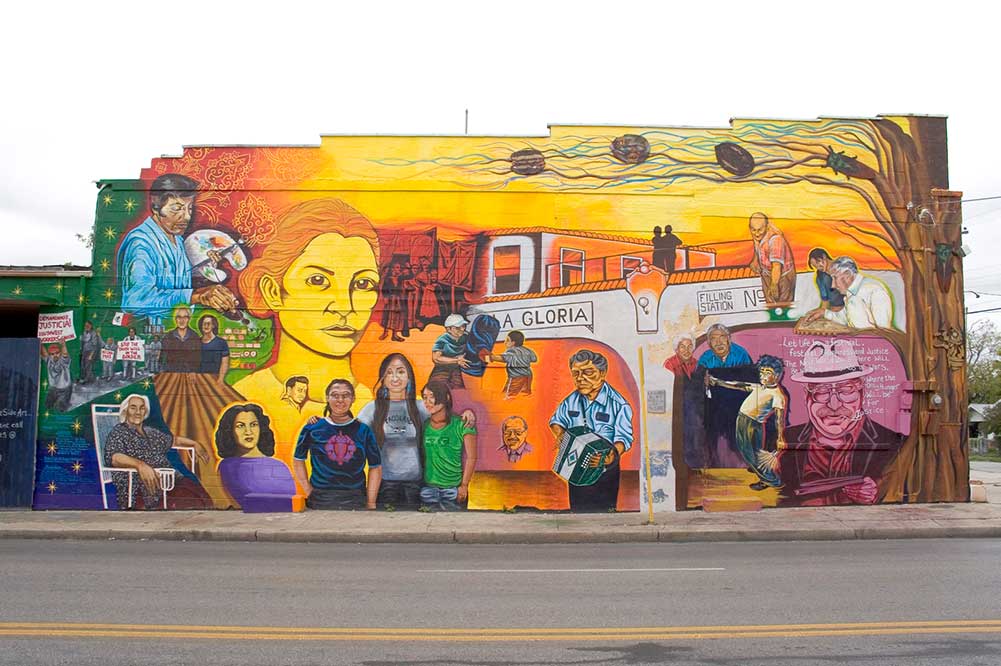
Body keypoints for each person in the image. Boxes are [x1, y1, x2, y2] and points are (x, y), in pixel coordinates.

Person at [235, 199, 381, 427]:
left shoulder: (377, 409)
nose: (345, 306)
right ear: (272, 291)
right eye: (318, 280)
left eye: (363, 284)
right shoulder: (242, 399)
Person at [779, 340, 905, 506]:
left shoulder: (892, 442)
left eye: (845, 391)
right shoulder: (787, 439)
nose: (834, 405)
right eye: (821, 392)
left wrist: (880, 490)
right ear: (806, 396)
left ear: (862, 392)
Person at [358, 353, 478, 510]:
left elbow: (445, 414)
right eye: (389, 372)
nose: (395, 377)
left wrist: (468, 413)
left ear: (409, 376)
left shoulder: (421, 406)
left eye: (400, 371)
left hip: (416, 484)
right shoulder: (372, 408)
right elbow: (350, 432)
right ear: (383, 378)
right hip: (385, 483)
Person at [117, 173, 237, 324]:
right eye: (177, 208)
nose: (186, 216)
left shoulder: (178, 240)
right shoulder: (141, 243)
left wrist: (207, 265)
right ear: (156, 207)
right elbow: (136, 300)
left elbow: (176, 278)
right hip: (150, 337)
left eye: (189, 208)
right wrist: (197, 296)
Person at [549, 349, 633, 511]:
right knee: (578, 510)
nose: (580, 379)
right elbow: (556, 421)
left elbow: (624, 438)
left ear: (602, 373)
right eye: (575, 373)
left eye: (588, 372)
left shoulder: (618, 404)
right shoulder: (571, 400)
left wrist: (612, 456)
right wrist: (560, 435)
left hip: (605, 467)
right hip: (576, 465)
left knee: (605, 511)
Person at [103, 394, 212, 510]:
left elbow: (173, 440)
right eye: (133, 408)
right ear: (125, 411)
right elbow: (115, 457)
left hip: (169, 480)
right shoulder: (119, 432)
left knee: (202, 497)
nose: (138, 412)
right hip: (144, 486)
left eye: (142, 408)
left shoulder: (150, 432)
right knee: (188, 502)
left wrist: (194, 444)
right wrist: (140, 465)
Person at [292, 379, 382, 510]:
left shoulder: (363, 430)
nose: (340, 400)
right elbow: (298, 459)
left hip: (355, 498)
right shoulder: (312, 428)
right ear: (327, 398)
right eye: (335, 395)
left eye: (345, 395)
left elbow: (375, 467)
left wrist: (371, 503)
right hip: (320, 498)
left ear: (353, 399)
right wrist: (308, 491)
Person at [708, 355, 787, 490]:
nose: (763, 375)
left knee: (749, 453)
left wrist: (780, 438)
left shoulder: (777, 395)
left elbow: (779, 418)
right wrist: (718, 382)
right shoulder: (760, 388)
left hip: (751, 425)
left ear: (777, 375)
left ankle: (770, 480)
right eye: (762, 371)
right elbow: (739, 385)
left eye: (768, 373)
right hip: (745, 422)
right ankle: (758, 468)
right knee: (753, 451)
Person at [214, 403, 297, 512]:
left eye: (253, 425)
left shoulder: (280, 466)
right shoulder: (227, 467)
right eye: (240, 426)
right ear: (230, 431)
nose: (248, 432)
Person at [420, 382, 477, 511]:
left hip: (453, 490)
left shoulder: (461, 424)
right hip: (428, 489)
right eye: (424, 397)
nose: (428, 401)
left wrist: (464, 485)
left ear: (446, 397)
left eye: (432, 396)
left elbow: (472, 457)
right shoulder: (425, 425)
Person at [804, 256, 896, 330]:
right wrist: (824, 313)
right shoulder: (850, 294)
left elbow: (884, 333)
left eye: (835, 278)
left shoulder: (874, 290)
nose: (833, 285)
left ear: (847, 275)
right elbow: (844, 318)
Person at [748, 212, 796, 304]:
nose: (757, 234)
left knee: (783, 305)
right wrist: (755, 261)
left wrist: (774, 284)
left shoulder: (775, 239)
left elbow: (777, 266)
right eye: (753, 230)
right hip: (767, 273)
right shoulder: (758, 235)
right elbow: (757, 246)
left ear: (767, 227)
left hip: (782, 276)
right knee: (771, 305)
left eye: (759, 230)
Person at [489, 330, 538, 399]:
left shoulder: (512, 351)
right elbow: (534, 359)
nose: (505, 342)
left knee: (507, 396)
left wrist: (490, 357)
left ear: (513, 343)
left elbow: (503, 358)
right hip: (528, 376)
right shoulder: (527, 350)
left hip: (516, 377)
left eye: (507, 340)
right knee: (524, 395)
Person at [429, 313, 471, 389]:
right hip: (442, 370)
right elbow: (436, 358)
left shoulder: (465, 337)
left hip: (458, 370)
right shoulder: (442, 339)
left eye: (463, 326)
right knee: (437, 388)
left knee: (459, 390)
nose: (462, 329)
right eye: (458, 327)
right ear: (449, 329)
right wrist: (456, 360)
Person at [161, 306, 202, 373]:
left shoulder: (195, 337)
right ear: (175, 319)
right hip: (172, 375)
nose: (182, 320)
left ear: (189, 319)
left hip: (190, 376)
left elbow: (198, 360)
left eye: (185, 317)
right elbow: (162, 360)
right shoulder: (168, 337)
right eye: (179, 317)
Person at [806, 248, 845, 316]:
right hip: (834, 310)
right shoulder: (820, 277)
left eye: (818, 262)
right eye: (815, 266)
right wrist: (820, 311)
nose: (818, 267)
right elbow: (825, 300)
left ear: (824, 257)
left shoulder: (842, 265)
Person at [40, 340, 72, 412]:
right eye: (52, 354)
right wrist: (40, 343)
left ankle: (65, 403)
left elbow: (65, 354)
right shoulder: (49, 360)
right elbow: (45, 354)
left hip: (65, 390)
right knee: (47, 405)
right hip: (53, 389)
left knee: (60, 408)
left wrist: (63, 345)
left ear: (60, 353)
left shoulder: (64, 361)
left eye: (57, 353)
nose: (55, 355)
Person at [198, 314, 230, 384]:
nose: (206, 326)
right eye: (204, 324)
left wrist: (221, 379)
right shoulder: (196, 342)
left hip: (215, 378)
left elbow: (225, 363)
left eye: (208, 324)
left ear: (213, 325)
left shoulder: (221, 342)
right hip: (199, 378)